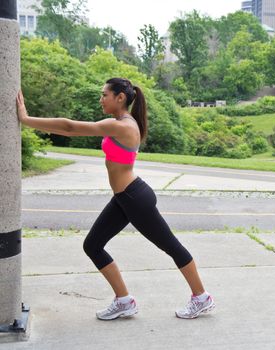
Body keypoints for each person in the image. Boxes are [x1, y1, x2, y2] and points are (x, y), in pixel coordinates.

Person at [16, 77, 215, 320]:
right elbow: (70, 128)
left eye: (104, 95)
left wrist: (26, 119)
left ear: (120, 98)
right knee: (93, 245)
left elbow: (69, 127)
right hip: (125, 198)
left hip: (134, 198)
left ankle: (201, 297)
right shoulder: (122, 122)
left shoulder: (122, 126)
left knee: (171, 246)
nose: (101, 99)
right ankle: (124, 301)